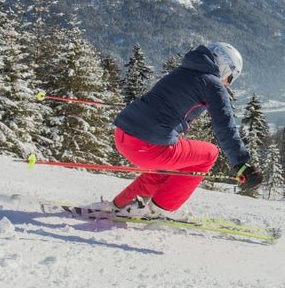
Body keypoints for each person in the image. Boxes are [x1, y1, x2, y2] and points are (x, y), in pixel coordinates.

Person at [99, 42, 261, 218]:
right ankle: (161, 209)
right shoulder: (213, 84)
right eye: (230, 77)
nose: (227, 83)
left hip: (123, 135)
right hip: (148, 146)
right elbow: (225, 126)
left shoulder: (182, 71)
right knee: (209, 154)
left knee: (169, 166)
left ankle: (119, 205)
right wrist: (242, 164)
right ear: (224, 67)